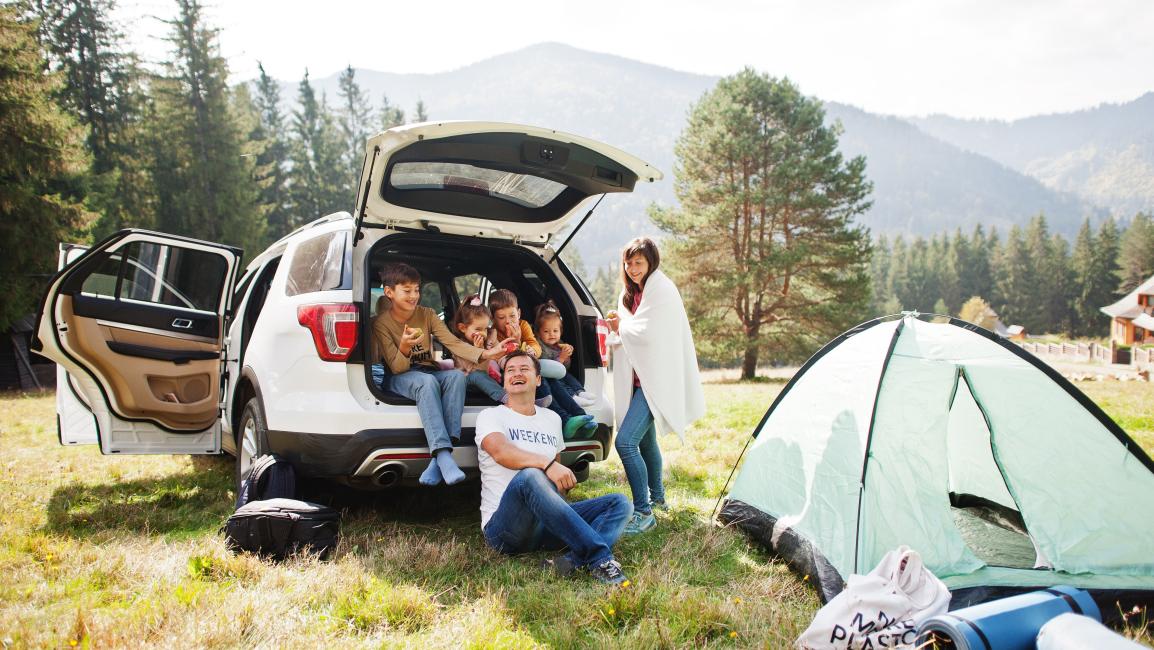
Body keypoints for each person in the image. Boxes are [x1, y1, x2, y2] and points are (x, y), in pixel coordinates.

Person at [476, 350, 633, 584]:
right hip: (505, 530)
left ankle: (571, 562)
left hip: (545, 526)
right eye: (510, 370)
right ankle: (599, 558)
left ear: (538, 380)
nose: (516, 374)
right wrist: (546, 464)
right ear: (503, 380)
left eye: (524, 369)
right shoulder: (490, 416)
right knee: (531, 475)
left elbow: (555, 479)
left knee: (620, 503)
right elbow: (500, 452)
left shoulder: (552, 419)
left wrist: (558, 483)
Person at [372, 262, 513, 486]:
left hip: (427, 370)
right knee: (426, 382)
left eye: (417, 289)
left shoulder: (427, 314)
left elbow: (453, 343)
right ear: (389, 292)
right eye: (406, 291)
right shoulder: (381, 323)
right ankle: (444, 455)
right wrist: (405, 347)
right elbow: (397, 367)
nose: (414, 296)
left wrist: (488, 352)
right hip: (399, 377)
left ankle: (439, 458)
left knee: (456, 376)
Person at [607, 237, 705, 534]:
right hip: (640, 380)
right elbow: (634, 330)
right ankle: (659, 500)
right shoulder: (633, 293)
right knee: (646, 442)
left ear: (651, 262)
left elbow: (649, 334)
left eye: (639, 262)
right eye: (629, 262)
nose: (633, 268)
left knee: (625, 443)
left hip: (655, 380)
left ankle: (643, 512)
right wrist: (620, 325)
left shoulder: (660, 288)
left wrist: (619, 327)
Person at [488, 289, 596, 439]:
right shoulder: (493, 334)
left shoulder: (523, 325)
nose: (508, 321)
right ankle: (565, 421)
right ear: (493, 318)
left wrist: (532, 350)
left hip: (531, 369)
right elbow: (505, 361)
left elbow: (535, 345)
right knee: (542, 382)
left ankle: (581, 417)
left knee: (553, 381)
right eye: (501, 317)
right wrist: (517, 342)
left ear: (519, 313)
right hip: (516, 376)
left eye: (512, 316)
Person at [534, 300, 596, 407]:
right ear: (538, 333)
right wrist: (561, 358)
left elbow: (566, 367)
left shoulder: (560, 344)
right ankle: (572, 397)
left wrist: (567, 357)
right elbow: (547, 368)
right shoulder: (539, 346)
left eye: (555, 331)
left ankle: (580, 391)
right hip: (549, 376)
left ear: (561, 331)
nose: (551, 334)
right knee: (558, 382)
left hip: (561, 372)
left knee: (569, 376)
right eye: (546, 331)